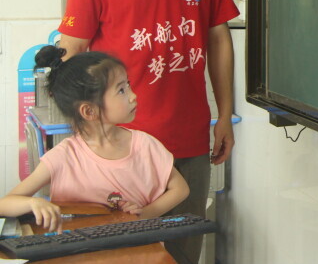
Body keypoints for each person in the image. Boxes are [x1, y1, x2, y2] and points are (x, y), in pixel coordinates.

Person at [56, 0, 239, 264]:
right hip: (120, 147)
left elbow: (218, 40)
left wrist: (225, 114)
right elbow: (72, 52)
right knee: (120, 254)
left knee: (180, 253)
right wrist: (84, 135)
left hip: (188, 140)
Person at [0, 46, 189, 233]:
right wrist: (32, 203)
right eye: (121, 90)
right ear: (89, 111)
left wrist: (144, 214)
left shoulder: (145, 145)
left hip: (138, 247)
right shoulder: (64, 156)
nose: (133, 95)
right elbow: (4, 204)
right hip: (81, 250)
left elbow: (180, 189)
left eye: (128, 85)